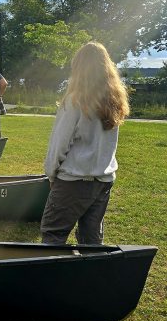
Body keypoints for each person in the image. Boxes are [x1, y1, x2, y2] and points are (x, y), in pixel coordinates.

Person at [40, 41, 130, 245]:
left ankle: (50, 277)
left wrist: (51, 174)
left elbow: (59, 145)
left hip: (74, 179)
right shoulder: (115, 101)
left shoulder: (74, 101)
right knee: (91, 239)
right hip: (103, 180)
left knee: (53, 234)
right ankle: (92, 277)